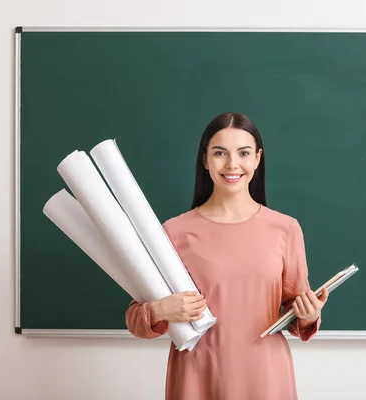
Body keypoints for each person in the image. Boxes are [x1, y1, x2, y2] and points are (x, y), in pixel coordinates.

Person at [125, 112, 329, 399]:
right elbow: (136, 318)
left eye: (243, 153)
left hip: (266, 376)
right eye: (220, 153)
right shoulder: (173, 232)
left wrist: (308, 316)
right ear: (205, 160)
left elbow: (293, 312)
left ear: (258, 159)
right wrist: (160, 310)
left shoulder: (285, 228)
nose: (232, 164)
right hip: (197, 375)